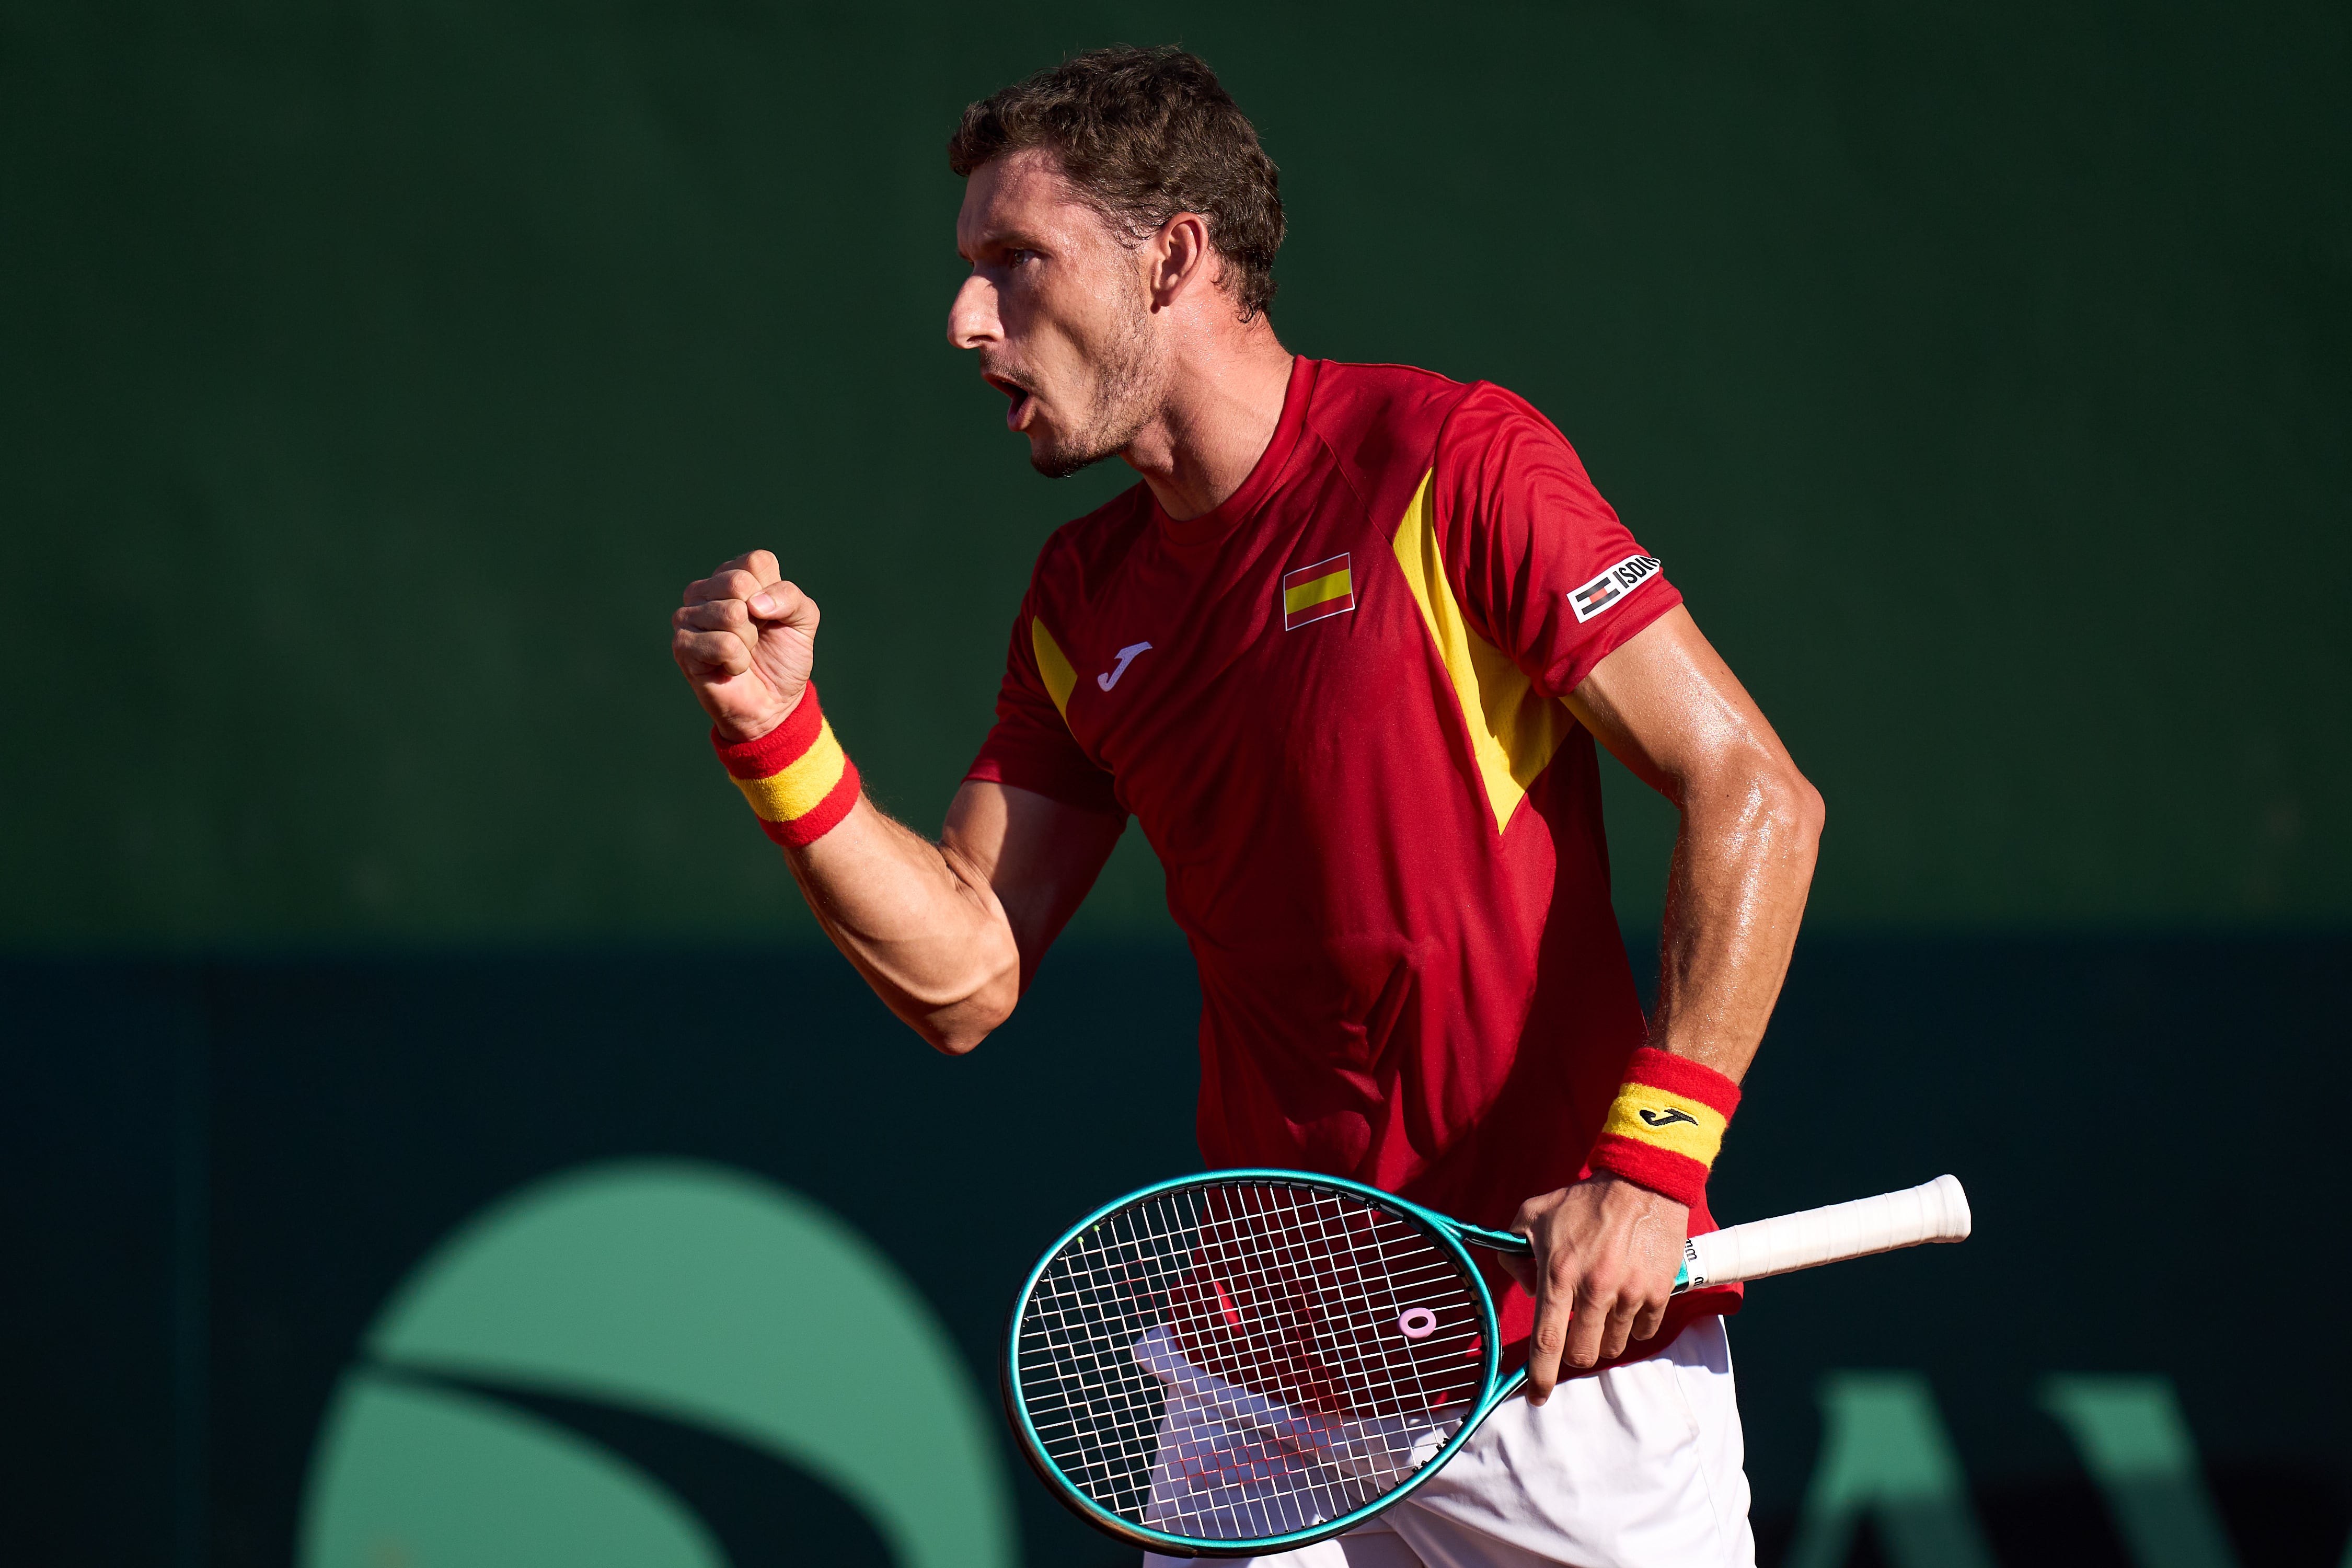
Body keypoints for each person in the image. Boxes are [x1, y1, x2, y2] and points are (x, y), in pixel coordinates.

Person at [670, 45, 1822, 1568]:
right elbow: (962, 973)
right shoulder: (1083, 599)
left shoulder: (1447, 464)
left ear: (1172, 256)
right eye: (968, 273)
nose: (965, 321)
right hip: (1256, 1387)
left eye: (1014, 263)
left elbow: (1754, 789)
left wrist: (1650, 1164)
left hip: (1557, 1366)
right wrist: (780, 743)